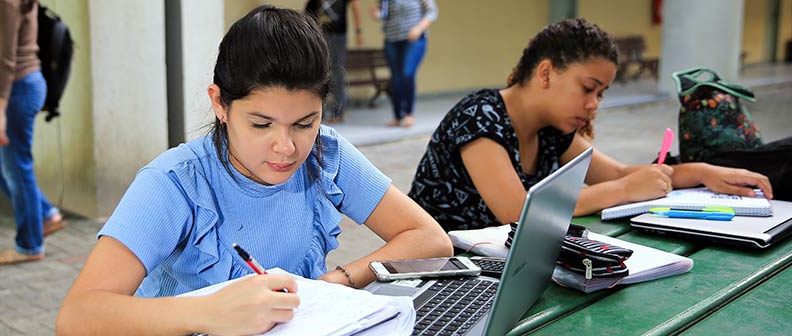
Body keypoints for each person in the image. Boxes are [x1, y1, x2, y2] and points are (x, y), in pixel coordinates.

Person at [55, 5, 452, 336]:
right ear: (220, 105)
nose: (286, 147)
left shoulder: (325, 155)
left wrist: (336, 281)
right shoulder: (176, 182)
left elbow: (428, 239)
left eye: (305, 123)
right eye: (261, 125)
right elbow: (78, 317)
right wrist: (210, 311)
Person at [408, 18, 773, 232]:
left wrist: (703, 172)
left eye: (600, 94)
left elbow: (616, 173)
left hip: (498, 273)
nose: (593, 104)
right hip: (438, 277)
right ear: (546, 72)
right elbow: (517, 210)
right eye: (588, 88)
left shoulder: (553, 129)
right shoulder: (479, 116)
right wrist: (625, 191)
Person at [0, 0, 65, 265]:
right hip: (20, 87)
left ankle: (30, 244)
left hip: (17, 89)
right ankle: (45, 214)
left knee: (15, 167)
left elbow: (5, 55)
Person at [374, 0, 438, 128]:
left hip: (414, 39)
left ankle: (409, 114)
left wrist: (419, 28)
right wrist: (378, 14)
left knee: (407, 73)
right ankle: (398, 116)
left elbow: (432, 11)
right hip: (392, 40)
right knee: (396, 77)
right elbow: (385, 13)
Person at [305, 0, 363, 123]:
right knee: (318, 74)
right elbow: (308, 12)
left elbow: (355, 5)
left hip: (338, 35)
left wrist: (358, 31)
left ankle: (338, 112)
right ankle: (319, 112)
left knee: (337, 73)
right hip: (318, 35)